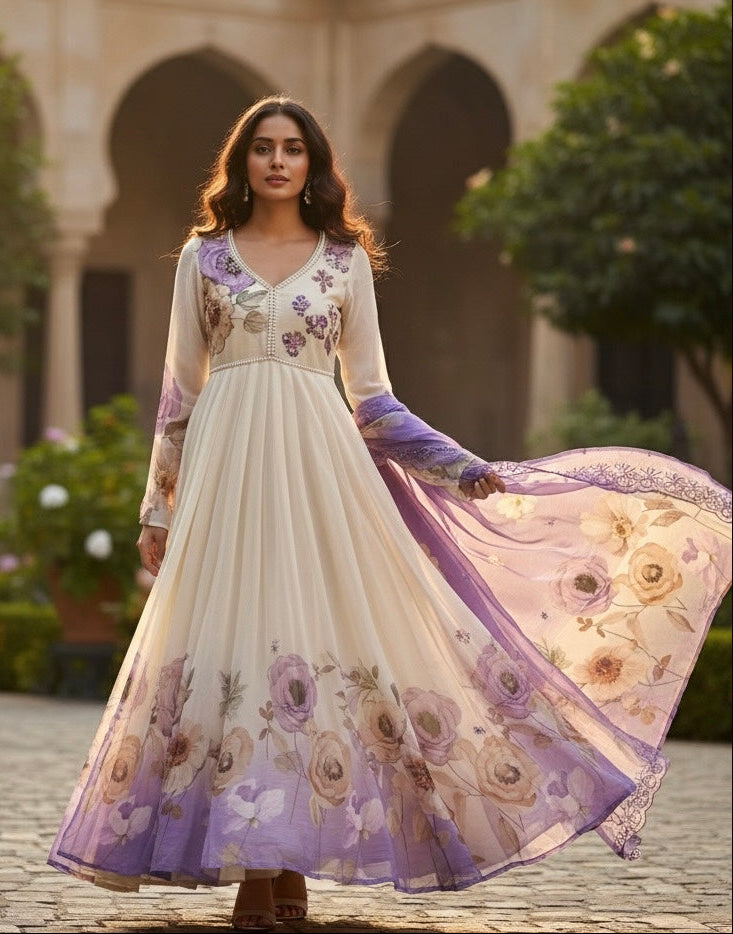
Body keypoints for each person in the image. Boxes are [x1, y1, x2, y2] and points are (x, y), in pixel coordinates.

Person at [48, 95, 731, 932]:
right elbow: (179, 396)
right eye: (262, 147)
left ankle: (280, 867)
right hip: (225, 484)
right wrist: (159, 507)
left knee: (311, 654)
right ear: (241, 161)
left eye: (292, 148)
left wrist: (459, 466)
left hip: (319, 479)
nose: (275, 161)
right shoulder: (205, 257)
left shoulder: (340, 262)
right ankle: (259, 872)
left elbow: (371, 399)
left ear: (313, 163)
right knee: (233, 653)